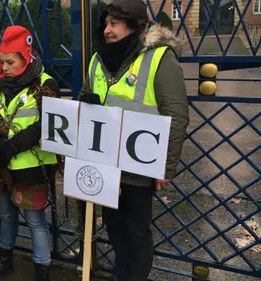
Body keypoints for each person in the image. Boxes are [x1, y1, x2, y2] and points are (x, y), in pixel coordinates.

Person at [78, 1, 189, 281]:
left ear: (134, 27)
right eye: (106, 23)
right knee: (115, 230)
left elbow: (176, 114)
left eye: (114, 24)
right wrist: (85, 104)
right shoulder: (98, 59)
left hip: (139, 169)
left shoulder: (159, 58)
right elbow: (85, 97)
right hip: (106, 165)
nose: (107, 30)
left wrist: (165, 166)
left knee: (137, 233)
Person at [0, 25, 61, 281]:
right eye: (2, 62)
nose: (6, 68)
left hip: (30, 165)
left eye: (11, 62)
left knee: (35, 221)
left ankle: (42, 270)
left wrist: (12, 145)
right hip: (1, 162)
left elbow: (46, 124)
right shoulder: (0, 84)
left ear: (26, 58)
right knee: (6, 214)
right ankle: (5, 261)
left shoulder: (45, 84)